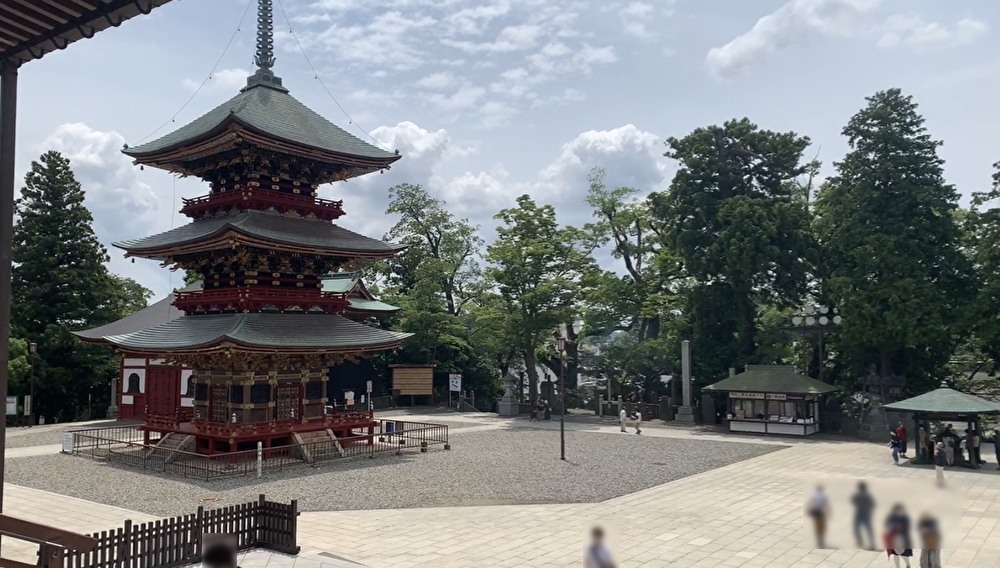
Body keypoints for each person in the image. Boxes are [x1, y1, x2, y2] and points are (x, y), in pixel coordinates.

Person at [884, 503, 913, 568]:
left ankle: (908, 564)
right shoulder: (891, 517)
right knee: (895, 555)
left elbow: (907, 527)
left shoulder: (905, 518)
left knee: (904, 555)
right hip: (894, 539)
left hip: (902, 539)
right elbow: (887, 525)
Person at [851, 481, 876, 549]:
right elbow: (873, 504)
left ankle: (860, 542)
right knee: (868, 529)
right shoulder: (868, 496)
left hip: (859, 513)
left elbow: (852, 501)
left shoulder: (857, 495)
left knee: (856, 528)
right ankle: (872, 543)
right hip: (866, 513)